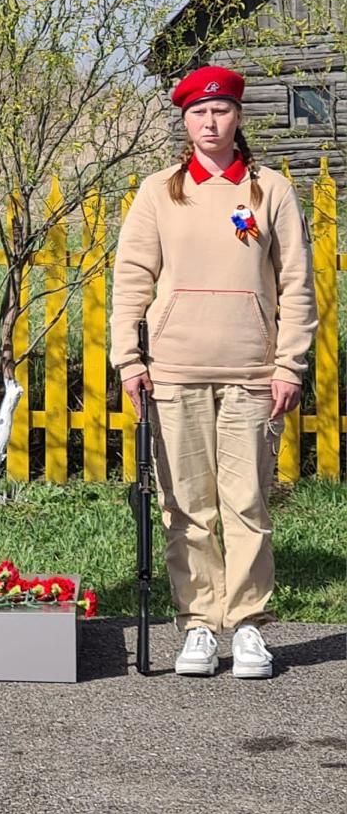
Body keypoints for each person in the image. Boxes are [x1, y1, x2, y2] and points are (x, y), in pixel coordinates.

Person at [110, 65, 316, 679]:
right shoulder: (158, 192)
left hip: (253, 372)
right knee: (186, 506)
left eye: (221, 110)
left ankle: (248, 625)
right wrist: (130, 358)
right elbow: (131, 282)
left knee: (247, 503)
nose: (210, 121)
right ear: (184, 121)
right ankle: (199, 625)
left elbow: (298, 285)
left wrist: (290, 365)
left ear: (237, 117)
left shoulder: (270, 191)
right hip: (173, 372)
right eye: (198, 112)